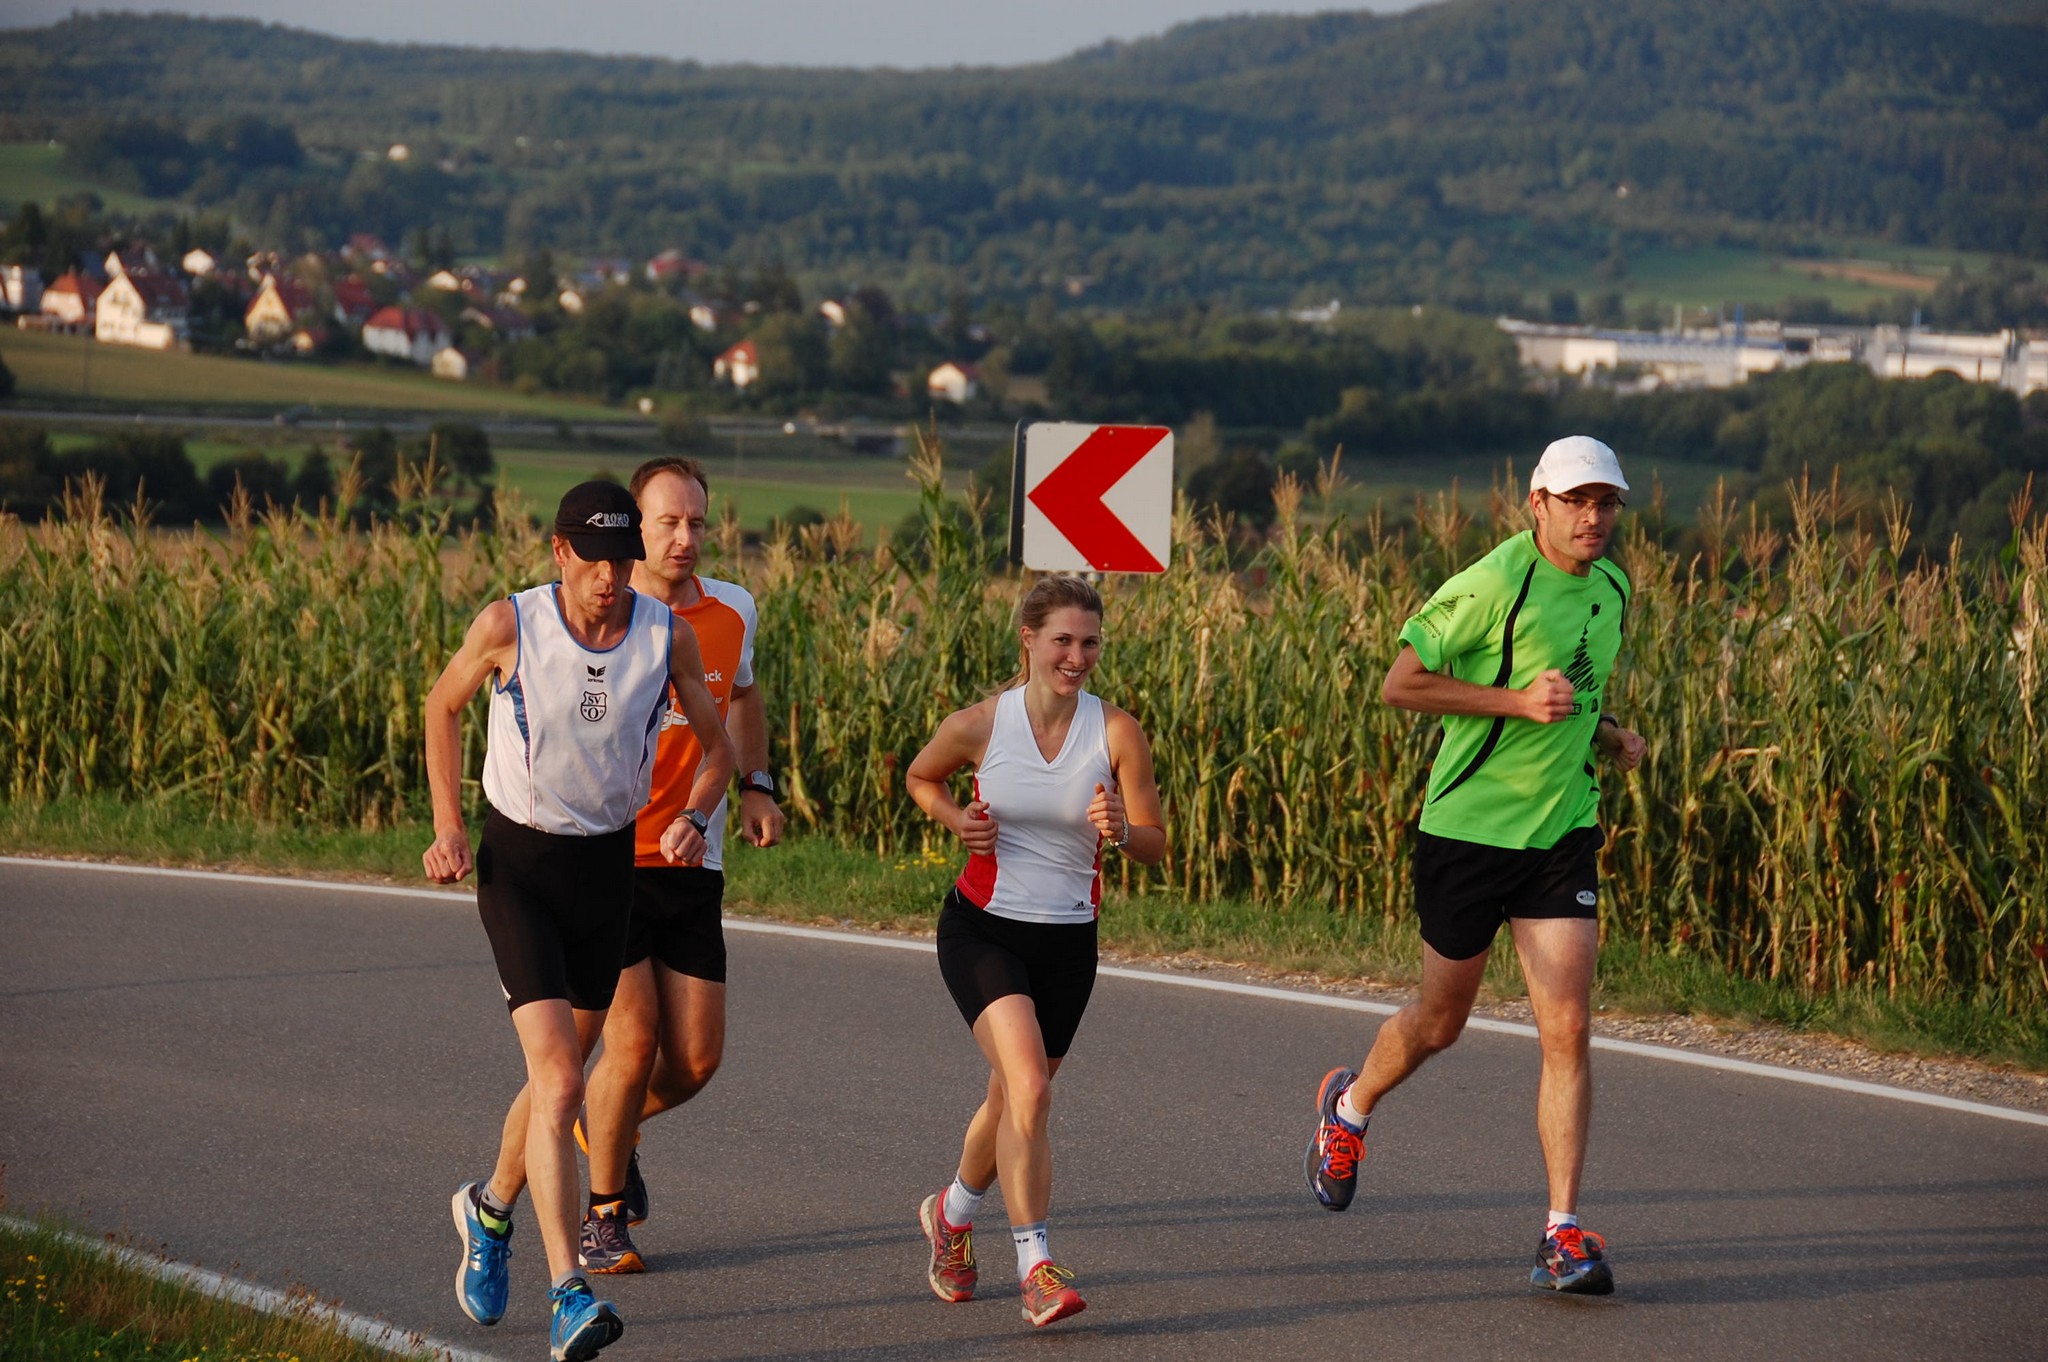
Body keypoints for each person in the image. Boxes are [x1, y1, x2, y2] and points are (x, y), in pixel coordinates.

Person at [1304, 435, 1649, 1296]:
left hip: (1560, 835)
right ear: (1537, 504)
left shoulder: (1611, 588)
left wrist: (1608, 736)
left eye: (1606, 502)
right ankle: (1349, 1107)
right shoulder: (1493, 583)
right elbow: (1401, 683)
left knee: (1567, 1025)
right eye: (1576, 501)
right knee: (1440, 1022)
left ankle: (1561, 1233)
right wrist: (1516, 704)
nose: (1594, 517)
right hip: (1467, 834)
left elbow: (1574, 694)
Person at [423, 480, 734, 1360]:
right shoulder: (510, 624)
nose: (609, 578)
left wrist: (697, 813)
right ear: (560, 552)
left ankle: (489, 1210)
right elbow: (442, 706)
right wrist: (447, 825)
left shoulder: (665, 635)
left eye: (622, 562)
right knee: (562, 1083)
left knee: (556, 1083)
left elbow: (717, 746)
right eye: (593, 560)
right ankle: (569, 1292)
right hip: (520, 870)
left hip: (607, 876)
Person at [905, 575, 1167, 1329]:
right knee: (1030, 1088)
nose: (1076, 657)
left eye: (1090, 643)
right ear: (1029, 639)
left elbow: (1154, 844)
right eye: (1062, 641)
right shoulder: (981, 725)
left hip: (1068, 943)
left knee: (1012, 1098)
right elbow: (921, 777)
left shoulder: (1116, 732)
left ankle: (951, 1216)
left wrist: (1122, 829)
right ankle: (1036, 1269)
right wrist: (956, 819)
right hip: (983, 929)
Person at [575, 456, 786, 1275]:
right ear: (633, 526)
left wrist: (758, 785)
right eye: (667, 521)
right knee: (631, 1043)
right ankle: (602, 1220)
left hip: (693, 856)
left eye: (697, 522)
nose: (685, 537)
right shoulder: (598, 613)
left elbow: (744, 696)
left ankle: (605, 1125)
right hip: (606, 859)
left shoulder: (733, 609)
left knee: (695, 1061)